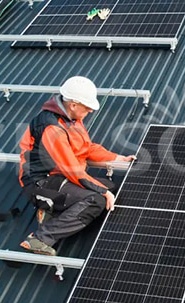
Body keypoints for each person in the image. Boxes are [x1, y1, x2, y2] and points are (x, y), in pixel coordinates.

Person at [18, 76, 135, 256]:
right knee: (97, 200)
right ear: (73, 104)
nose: (89, 111)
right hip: (41, 183)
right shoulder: (51, 127)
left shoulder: (71, 119)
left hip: (60, 177)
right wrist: (102, 192)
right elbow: (72, 169)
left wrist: (118, 158)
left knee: (109, 186)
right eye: (87, 107)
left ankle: (51, 211)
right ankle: (40, 239)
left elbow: (85, 149)